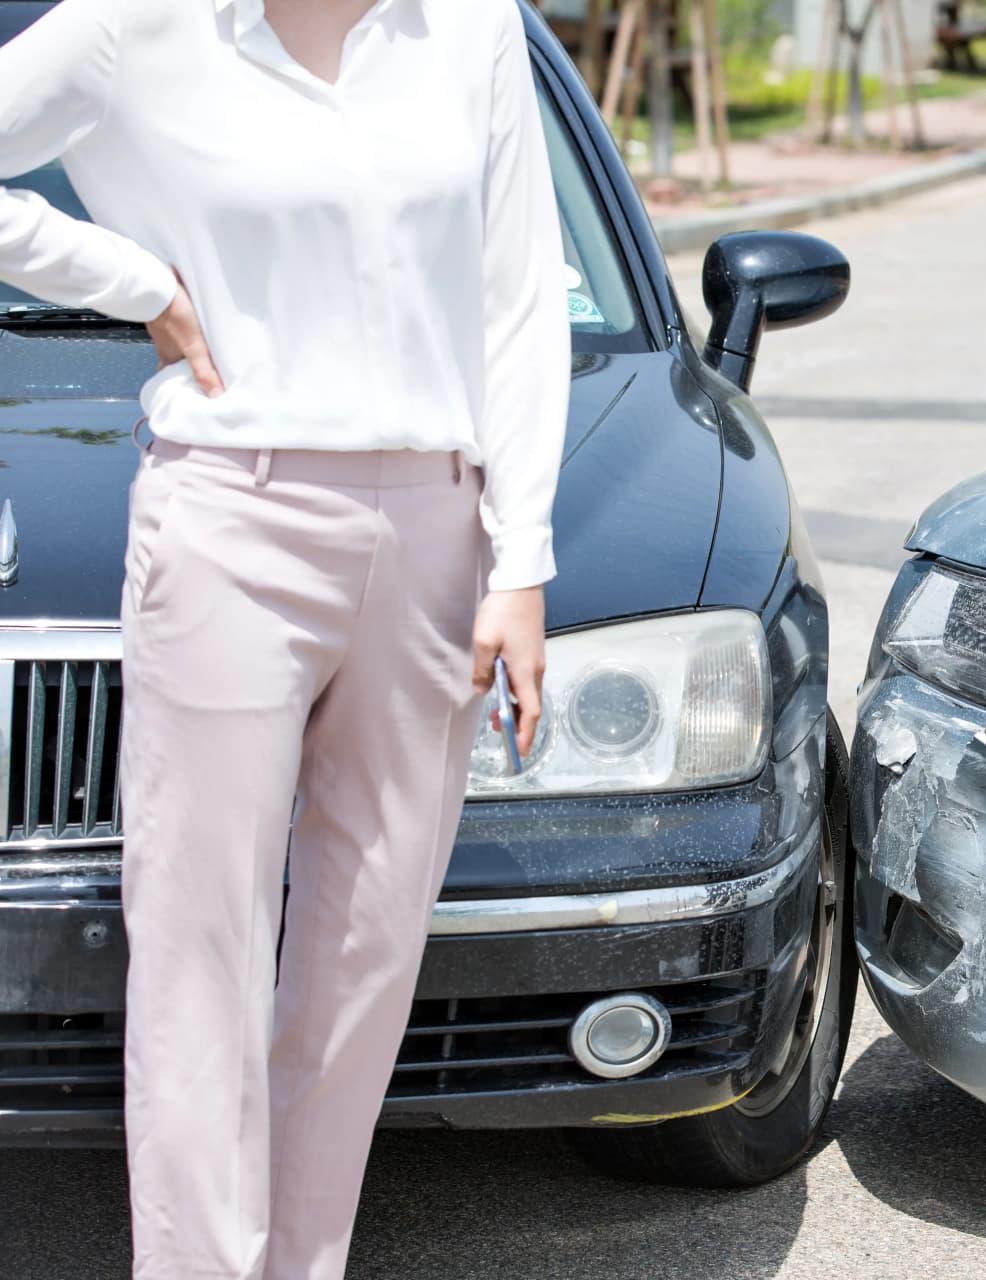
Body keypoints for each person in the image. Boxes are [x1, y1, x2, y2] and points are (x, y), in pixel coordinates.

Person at [0, 0, 568, 1275]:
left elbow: (520, 296)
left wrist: (519, 559)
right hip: (227, 517)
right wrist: (129, 280)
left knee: (366, 953)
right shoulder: (135, 25)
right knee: (198, 946)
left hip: (437, 526)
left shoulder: (470, 27)